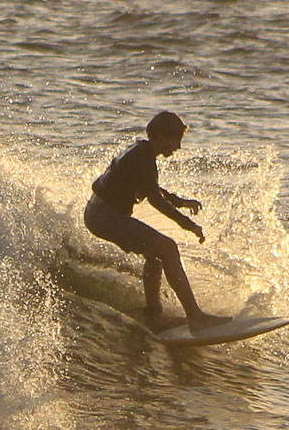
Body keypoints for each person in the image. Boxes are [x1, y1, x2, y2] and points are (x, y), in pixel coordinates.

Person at [85, 111, 231, 330]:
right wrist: (188, 225)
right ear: (161, 137)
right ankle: (196, 317)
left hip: (99, 214)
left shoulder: (141, 151)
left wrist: (179, 201)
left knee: (156, 256)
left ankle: (153, 313)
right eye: (176, 140)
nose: (178, 147)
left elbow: (149, 186)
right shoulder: (142, 156)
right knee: (168, 248)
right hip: (105, 216)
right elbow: (154, 198)